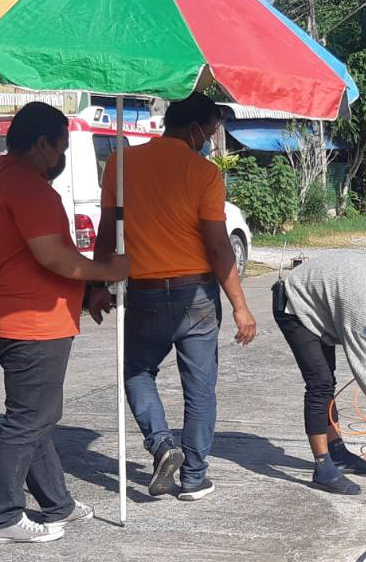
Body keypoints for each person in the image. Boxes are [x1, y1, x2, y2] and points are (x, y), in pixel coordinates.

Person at [89, 93, 256, 501]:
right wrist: (239, 304)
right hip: (196, 293)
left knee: (136, 372)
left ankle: (163, 445)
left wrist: (95, 285)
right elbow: (219, 246)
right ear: (197, 128)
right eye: (212, 131)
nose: (211, 139)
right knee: (199, 388)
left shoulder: (121, 164)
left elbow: (108, 229)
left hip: (143, 292)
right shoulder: (204, 173)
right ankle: (194, 478)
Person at [0, 102, 130, 544]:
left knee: (39, 415)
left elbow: (16, 255)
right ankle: (4, 516)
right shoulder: (28, 186)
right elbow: (54, 256)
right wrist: (109, 271)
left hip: (20, 311)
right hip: (34, 320)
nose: (63, 154)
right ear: (43, 143)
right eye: (62, 144)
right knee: (30, 419)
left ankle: (56, 502)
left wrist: (87, 291)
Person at [273, 252, 366, 495]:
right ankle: (323, 467)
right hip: (296, 304)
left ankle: (337, 452)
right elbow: (362, 368)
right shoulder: (360, 314)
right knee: (320, 384)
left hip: (323, 303)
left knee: (327, 381)